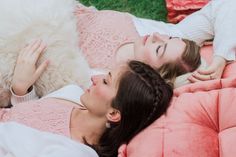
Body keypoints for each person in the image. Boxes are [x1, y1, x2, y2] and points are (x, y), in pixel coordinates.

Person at [2, 41, 173, 157]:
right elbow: (26, 114)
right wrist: (21, 90)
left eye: (106, 81)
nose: (95, 78)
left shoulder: (72, 152)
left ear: (113, 113)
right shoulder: (72, 93)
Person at [75, 0, 236, 83]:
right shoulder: (175, 34)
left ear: (153, 74)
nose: (157, 35)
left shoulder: (103, 77)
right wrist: (221, 58)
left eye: (159, 49)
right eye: (170, 39)